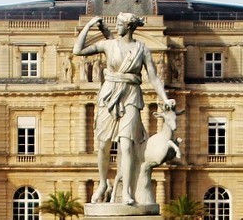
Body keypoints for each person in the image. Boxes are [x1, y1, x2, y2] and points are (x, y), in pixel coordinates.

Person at [74, 13, 172, 205]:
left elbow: (153, 77)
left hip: (131, 96)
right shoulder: (108, 45)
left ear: (128, 26)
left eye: (119, 24)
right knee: (103, 145)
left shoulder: (141, 49)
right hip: (109, 94)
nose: (117, 26)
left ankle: (127, 192)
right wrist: (89, 25)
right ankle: (102, 183)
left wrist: (165, 98)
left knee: (127, 145)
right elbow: (78, 50)